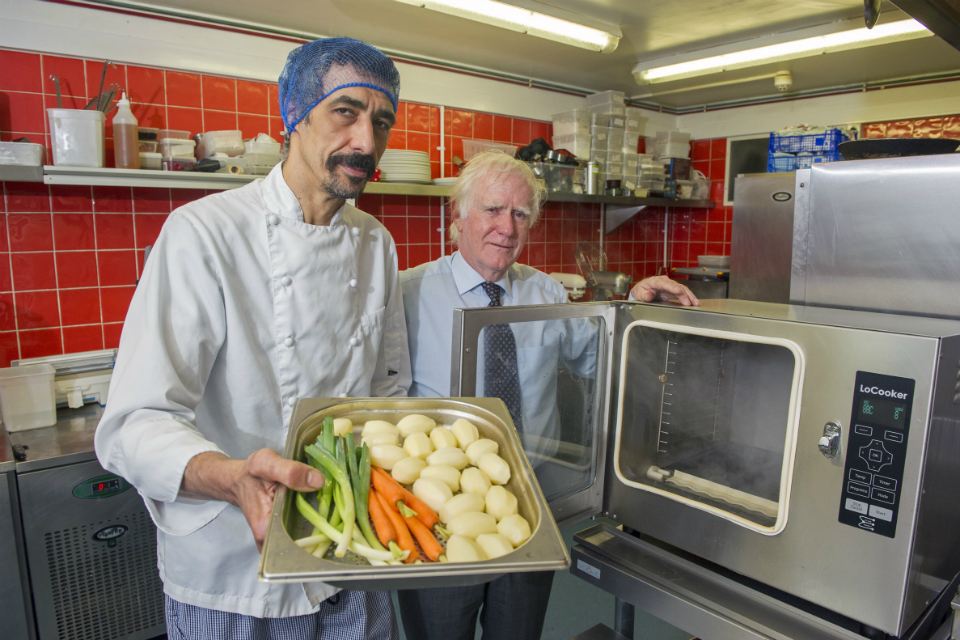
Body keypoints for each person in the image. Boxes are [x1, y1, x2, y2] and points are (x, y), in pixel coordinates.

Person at [94, 38, 409, 640]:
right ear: (294, 118)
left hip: (353, 557)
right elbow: (133, 424)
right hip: (236, 578)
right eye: (345, 112)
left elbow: (386, 392)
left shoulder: (376, 243)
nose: (367, 143)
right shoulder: (204, 235)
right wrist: (235, 477)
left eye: (382, 121)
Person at [397, 149, 698, 640]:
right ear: (460, 215)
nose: (507, 229)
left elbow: (602, 355)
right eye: (493, 210)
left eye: (520, 214)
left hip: (531, 505)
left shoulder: (546, 295)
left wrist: (636, 313)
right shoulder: (408, 295)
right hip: (440, 511)